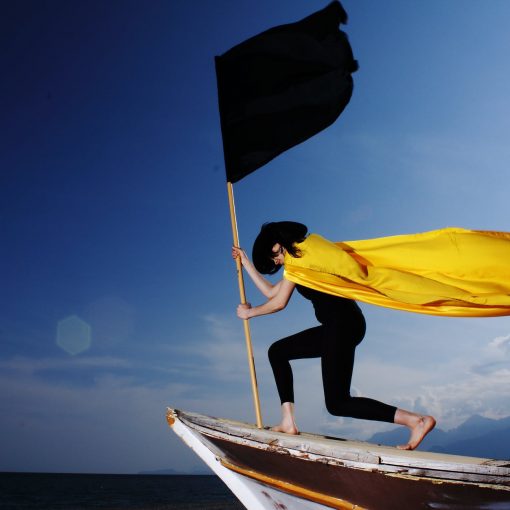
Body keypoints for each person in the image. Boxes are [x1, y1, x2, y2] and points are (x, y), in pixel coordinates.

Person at [232, 221, 436, 450]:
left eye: (276, 255)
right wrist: (245, 263)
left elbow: (279, 303)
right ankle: (288, 421)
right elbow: (272, 292)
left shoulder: (299, 259)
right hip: (343, 325)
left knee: (338, 402)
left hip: (342, 325)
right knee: (278, 352)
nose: (276, 262)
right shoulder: (301, 259)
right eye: (273, 261)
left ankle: (415, 421)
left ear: (280, 243)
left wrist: (249, 313)